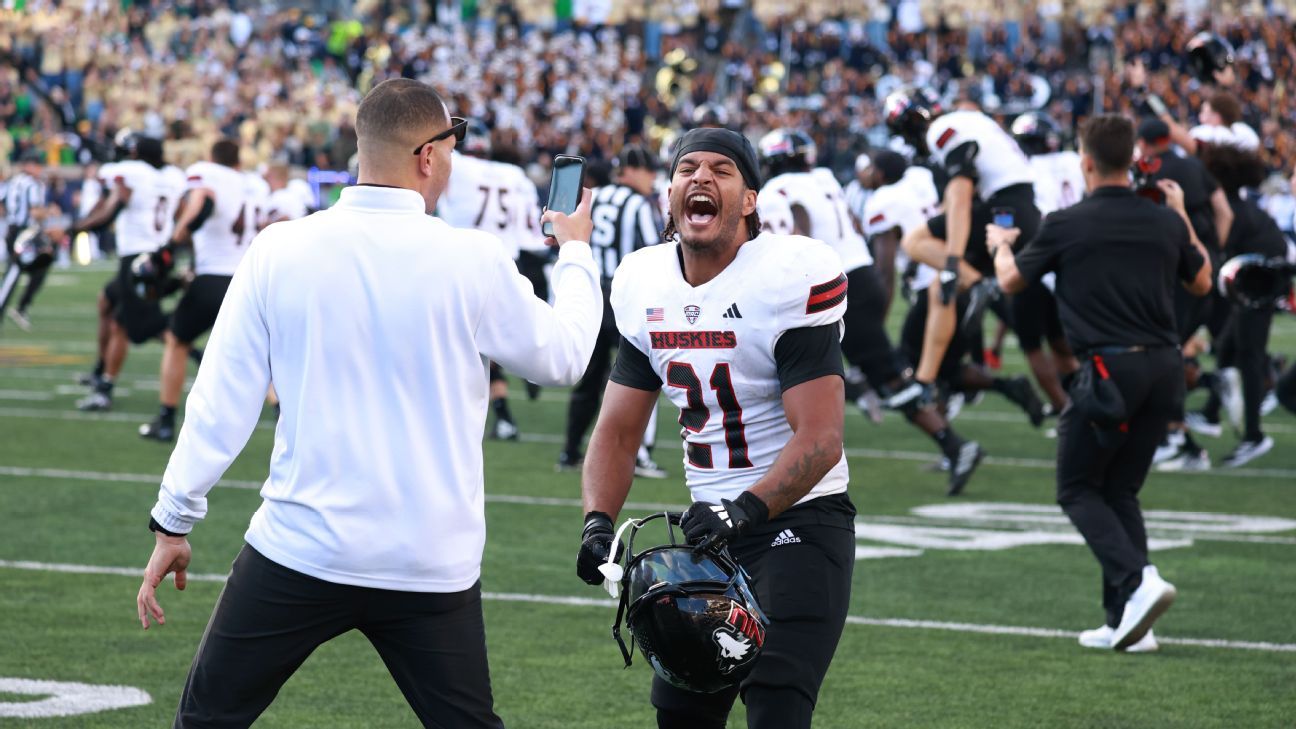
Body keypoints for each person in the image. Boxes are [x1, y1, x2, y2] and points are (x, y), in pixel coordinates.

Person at [135, 78, 603, 727]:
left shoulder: (280, 248)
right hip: (427, 559)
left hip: (302, 546)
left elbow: (221, 396)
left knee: (206, 720)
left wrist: (174, 518)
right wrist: (577, 249)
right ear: (428, 156)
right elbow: (566, 356)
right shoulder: (471, 257)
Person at [577, 127, 855, 728]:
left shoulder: (787, 275)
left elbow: (821, 438)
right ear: (669, 193)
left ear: (750, 199)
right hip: (713, 532)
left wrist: (745, 510)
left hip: (798, 524)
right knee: (681, 711)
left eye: (722, 170)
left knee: (777, 703)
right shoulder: (642, 280)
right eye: (687, 168)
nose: (700, 178)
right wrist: (596, 520)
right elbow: (619, 430)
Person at [987, 114, 1212, 652]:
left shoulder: (1066, 222)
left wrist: (1000, 243)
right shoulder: (1163, 219)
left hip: (1112, 370)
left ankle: (1138, 581)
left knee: (1076, 486)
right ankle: (1128, 625)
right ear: (1132, 159)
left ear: (1086, 162)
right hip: (1165, 369)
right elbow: (1202, 280)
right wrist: (1181, 214)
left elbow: (1012, 281)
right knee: (1120, 489)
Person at [760, 132, 985, 495]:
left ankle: (955, 445)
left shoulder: (780, 191)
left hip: (832, 280)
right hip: (860, 273)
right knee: (834, 368)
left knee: (889, 379)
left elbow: (799, 231)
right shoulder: (824, 178)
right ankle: (865, 391)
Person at [884, 88, 1053, 415]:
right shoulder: (970, 120)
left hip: (1006, 209)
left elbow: (960, 198)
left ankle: (979, 285)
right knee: (940, 291)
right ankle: (925, 381)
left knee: (914, 242)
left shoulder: (941, 130)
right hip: (1016, 210)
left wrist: (951, 263)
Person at [557, 143, 667, 479]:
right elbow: (657, 249)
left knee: (590, 378)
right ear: (633, 170)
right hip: (624, 297)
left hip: (591, 293)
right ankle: (641, 454)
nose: (652, 180)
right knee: (641, 376)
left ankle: (570, 449)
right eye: (649, 172)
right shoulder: (637, 203)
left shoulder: (595, 196)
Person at [1133, 118, 1233, 471]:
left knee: (1164, 351)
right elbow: (1225, 212)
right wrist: (1214, 252)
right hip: (1209, 268)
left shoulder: (1152, 168)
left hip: (1177, 273)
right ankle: (1189, 415)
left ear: (1145, 144)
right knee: (1171, 350)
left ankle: (1175, 437)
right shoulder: (1194, 165)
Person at [138, 139, 253, 442]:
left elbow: (203, 203)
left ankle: (165, 419)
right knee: (254, 353)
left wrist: (173, 242)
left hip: (213, 277)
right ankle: (282, 410)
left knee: (176, 340)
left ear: (211, 157)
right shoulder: (246, 182)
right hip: (245, 278)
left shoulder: (206, 173)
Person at [1188, 144, 1287, 467]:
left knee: (1249, 354)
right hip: (1258, 276)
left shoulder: (1228, 208)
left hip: (1257, 282)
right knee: (1229, 347)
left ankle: (1255, 435)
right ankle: (1211, 413)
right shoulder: (1238, 205)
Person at [72, 134, 186, 411]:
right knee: (107, 302)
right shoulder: (171, 176)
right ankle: (101, 372)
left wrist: (76, 228)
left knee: (131, 326)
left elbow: (111, 194)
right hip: (157, 255)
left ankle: (105, 389)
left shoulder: (133, 172)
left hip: (138, 258)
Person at [438, 120, 530, 439]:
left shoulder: (458, 167)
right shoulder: (514, 175)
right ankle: (505, 408)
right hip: (509, 262)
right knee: (484, 345)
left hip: (466, 261)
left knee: (462, 343)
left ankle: (484, 414)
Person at [1, 149, 52, 331]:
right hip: (24, 233)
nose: (40, 168)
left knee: (38, 267)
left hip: (13, 230)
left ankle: (21, 306)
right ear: (29, 165)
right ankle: (17, 306)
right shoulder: (31, 183)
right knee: (14, 272)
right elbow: (35, 211)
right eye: (38, 165)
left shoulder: (12, 182)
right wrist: (50, 211)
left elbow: (2, 204)